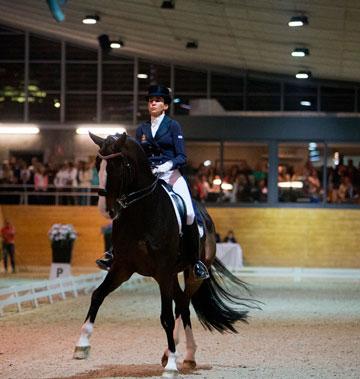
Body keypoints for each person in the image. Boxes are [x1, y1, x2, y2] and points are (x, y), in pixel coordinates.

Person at [96, 85, 209, 280]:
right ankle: (114, 252)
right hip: (149, 178)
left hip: (172, 175)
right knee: (125, 208)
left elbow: (182, 156)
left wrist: (166, 165)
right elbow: (138, 156)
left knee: (189, 212)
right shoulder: (142, 128)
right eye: (150, 100)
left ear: (165, 106)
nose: (153, 103)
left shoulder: (173, 126)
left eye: (157, 100)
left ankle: (195, 260)